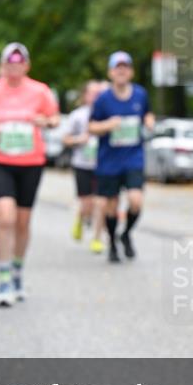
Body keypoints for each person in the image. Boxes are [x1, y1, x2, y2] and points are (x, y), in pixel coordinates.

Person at [0, 43, 60, 307]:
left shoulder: (40, 91)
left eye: (19, 63)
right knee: (5, 218)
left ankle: (18, 270)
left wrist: (45, 122)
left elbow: (55, 119)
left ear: (26, 66)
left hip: (31, 162)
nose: (14, 68)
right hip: (0, 160)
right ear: (3, 65)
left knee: (22, 222)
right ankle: (4, 278)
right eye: (9, 63)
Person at [88, 51, 155, 264]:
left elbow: (148, 113)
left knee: (136, 200)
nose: (122, 70)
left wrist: (149, 122)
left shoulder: (141, 95)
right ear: (110, 72)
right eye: (118, 67)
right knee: (111, 206)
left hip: (133, 157)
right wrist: (108, 125)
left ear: (131, 72)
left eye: (125, 67)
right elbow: (91, 126)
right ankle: (113, 244)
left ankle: (126, 234)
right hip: (109, 160)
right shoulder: (103, 99)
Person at [63, 80, 106, 253]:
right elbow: (65, 139)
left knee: (100, 203)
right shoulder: (77, 115)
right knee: (87, 204)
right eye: (93, 93)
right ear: (85, 95)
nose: (96, 97)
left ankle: (97, 238)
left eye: (99, 93)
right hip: (82, 165)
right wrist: (78, 140)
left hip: (103, 165)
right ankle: (81, 218)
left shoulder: (106, 113)